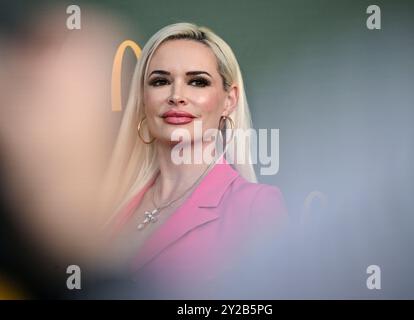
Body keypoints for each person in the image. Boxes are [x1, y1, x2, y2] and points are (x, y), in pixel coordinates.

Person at [98, 22, 288, 297]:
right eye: (160, 81)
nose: (177, 96)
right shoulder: (109, 203)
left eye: (197, 81)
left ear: (229, 100)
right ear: (142, 97)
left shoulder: (255, 206)